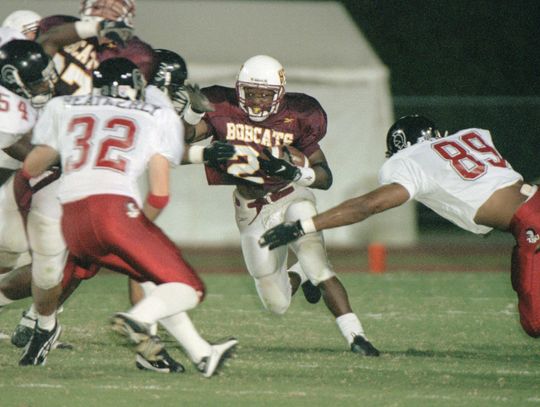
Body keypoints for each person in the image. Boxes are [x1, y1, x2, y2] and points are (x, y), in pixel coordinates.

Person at [18, 57, 238, 373]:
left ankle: (202, 354)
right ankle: (136, 320)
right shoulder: (154, 114)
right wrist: (137, 224)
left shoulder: (67, 106)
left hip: (71, 214)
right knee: (188, 287)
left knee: (147, 277)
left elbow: (31, 166)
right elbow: (160, 191)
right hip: (113, 210)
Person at [259, 114, 540, 338]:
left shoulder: (409, 161)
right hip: (530, 212)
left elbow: (368, 205)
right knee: (522, 286)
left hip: (531, 223)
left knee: (535, 322)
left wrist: (303, 226)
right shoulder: (472, 136)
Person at [188, 54, 379, 356]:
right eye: (251, 92)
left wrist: (295, 173)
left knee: (318, 264)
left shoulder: (301, 114)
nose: (258, 101)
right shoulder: (220, 107)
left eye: (265, 94)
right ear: (239, 89)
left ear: (279, 93)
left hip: (291, 195)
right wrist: (185, 114)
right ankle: (299, 272)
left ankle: (356, 336)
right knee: (277, 304)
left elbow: (324, 177)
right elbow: (182, 138)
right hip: (250, 210)